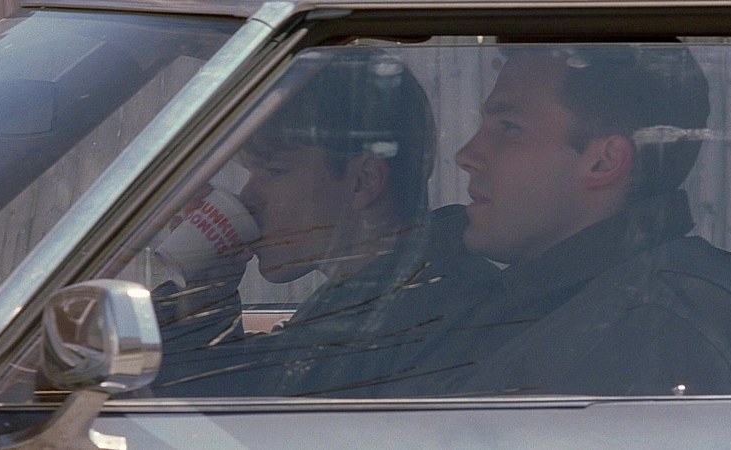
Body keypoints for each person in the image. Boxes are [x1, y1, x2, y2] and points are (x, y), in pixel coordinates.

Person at [402, 43, 731, 396]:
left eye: (509, 127)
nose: (467, 155)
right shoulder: (562, 302)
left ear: (603, 162)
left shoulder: (650, 328)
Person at [151, 48, 497, 396]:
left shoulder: (416, 321)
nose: (249, 196)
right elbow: (250, 388)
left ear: (363, 181)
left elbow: (246, 404)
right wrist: (205, 294)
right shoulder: (373, 302)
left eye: (275, 171)